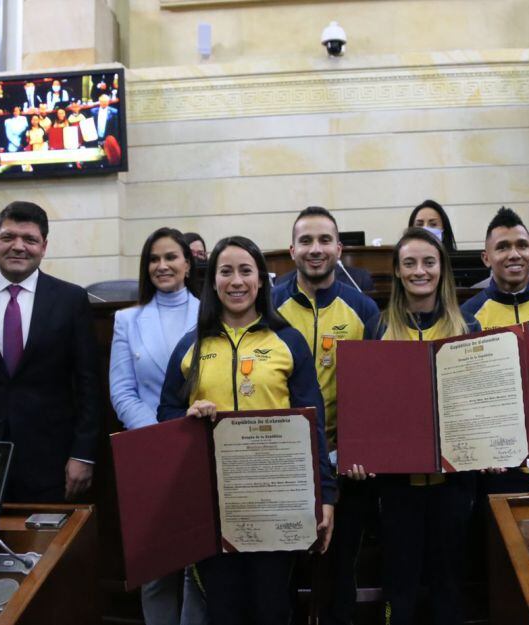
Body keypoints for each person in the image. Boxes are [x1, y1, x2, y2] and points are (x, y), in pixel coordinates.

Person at [157, 236, 336, 625]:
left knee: (272, 607)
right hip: (212, 506)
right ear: (213, 282)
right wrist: (188, 414)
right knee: (223, 610)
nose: (236, 281)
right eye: (226, 271)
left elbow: (314, 425)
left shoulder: (288, 342)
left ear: (260, 280)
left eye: (245, 271)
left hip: (278, 502)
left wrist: (327, 497)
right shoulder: (191, 345)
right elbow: (166, 414)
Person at [0, 201, 101, 502]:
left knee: (42, 547)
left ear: (44, 246)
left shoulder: (70, 299)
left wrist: (83, 454)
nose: (18, 247)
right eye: (8, 237)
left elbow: (89, 385)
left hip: (49, 459)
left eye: (30, 239)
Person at [272, 207, 380, 625]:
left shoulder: (363, 308)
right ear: (292, 250)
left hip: (344, 463)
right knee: (281, 573)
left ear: (339, 248)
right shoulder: (271, 306)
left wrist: (360, 451)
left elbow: (374, 392)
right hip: (283, 463)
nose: (315, 250)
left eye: (323, 241)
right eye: (306, 241)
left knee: (341, 573)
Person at [370, 227, 479, 625]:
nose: (420, 271)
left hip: (453, 486)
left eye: (429, 262)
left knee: (449, 590)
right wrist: (363, 452)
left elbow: (481, 404)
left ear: (442, 268)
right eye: (410, 263)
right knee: (399, 591)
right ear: (397, 272)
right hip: (398, 490)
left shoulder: (469, 328)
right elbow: (369, 410)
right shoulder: (379, 330)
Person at [109, 228, 206, 625]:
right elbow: (121, 391)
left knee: (198, 569)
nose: (162, 266)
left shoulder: (211, 314)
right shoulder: (126, 320)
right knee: (155, 572)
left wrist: (184, 434)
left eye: (171, 257)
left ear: (188, 264)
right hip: (149, 453)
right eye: (154, 259)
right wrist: (161, 437)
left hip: (202, 451)